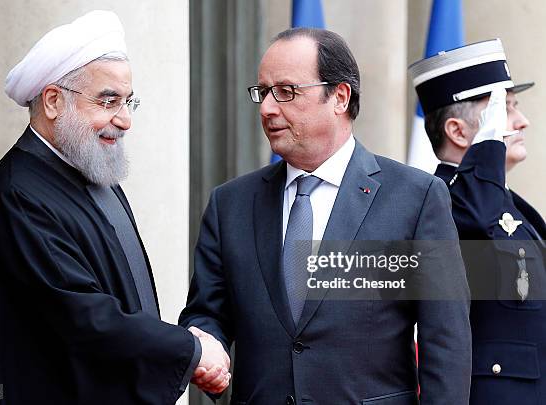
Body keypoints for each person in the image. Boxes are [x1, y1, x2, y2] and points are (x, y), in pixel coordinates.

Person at [0, 10, 229, 404]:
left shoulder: (92, 175)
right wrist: (188, 350)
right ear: (54, 101)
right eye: (108, 101)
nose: (124, 120)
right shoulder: (16, 196)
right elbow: (84, 316)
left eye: (128, 102)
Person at [180, 27, 471, 404]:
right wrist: (206, 343)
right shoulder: (230, 204)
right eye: (263, 93)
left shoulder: (415, 199)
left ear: (339, 96)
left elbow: (446, 341)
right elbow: (206, 313)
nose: (268, 108)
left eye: (286, 91)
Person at [410, 38, 546, 404]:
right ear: (457, 131)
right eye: (505, 110)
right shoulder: (438, 200)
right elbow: (474, 223)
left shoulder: (509, 203)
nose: (523, 121)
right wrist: (486, 152)